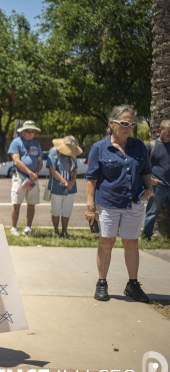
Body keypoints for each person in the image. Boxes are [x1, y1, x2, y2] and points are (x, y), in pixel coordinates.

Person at [85, 105, 153, 303]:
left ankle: (132, 284)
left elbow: (145, 171)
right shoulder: (99, 147)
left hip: (135, 202)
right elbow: (91, 178)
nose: (129, 127)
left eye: (132, 124)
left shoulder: (139, 146)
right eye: (124, 123)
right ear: (111, 123)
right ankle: (102, 283)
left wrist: (149, 189)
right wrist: (91, 206)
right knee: (106, 242)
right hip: (108, 203)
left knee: (131, 243)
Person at [8, 120, 43, 236]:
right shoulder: (16, 142)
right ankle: (14, 228)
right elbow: (16, 161)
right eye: (28, 131)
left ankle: (28, 228)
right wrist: (29, 172)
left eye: (32, 131)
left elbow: (40, 161)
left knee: (31, 203)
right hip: (20, 176)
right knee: (16, 202)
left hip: (33, 179)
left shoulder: (36, 144)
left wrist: (35, 174)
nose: (30, 133)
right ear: (23, 131)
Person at [46, 136, 81, 239]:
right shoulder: (53, 153)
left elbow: (75, 170)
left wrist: (72, 182)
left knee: (67, 211)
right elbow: (53, 170)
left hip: (70, 189)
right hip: (57, 188)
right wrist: (64, 181)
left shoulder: (73, 155)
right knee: (55, 211)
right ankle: (56, 231)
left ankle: (65, 232)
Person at [142, 120, 170, 240]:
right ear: (160, 130)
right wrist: (150, 179)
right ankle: (146, 236)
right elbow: (142, 165)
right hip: (158, 185)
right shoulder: (151, 146)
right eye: (168, 131)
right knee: (152, 212)